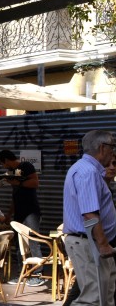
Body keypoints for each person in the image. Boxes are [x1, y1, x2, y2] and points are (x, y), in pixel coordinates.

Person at [62, 130, 116, 306]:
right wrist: (103, 245)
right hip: (89, 242)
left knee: (105, 296)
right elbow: (90, 213)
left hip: (90, 241)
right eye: (112, 147)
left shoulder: (88, 170)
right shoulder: (88, 172)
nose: (113, 152)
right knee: (92, 299)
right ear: (102, 148)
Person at [0, 149, 44, 286]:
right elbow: (15, 197)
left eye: (2, 163)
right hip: (19, 213)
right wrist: (9, 215)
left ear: (6, 160)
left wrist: (16, 183)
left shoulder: (26, 166)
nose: (3, 167)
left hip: (31, 212)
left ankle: (38, 274)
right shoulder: (12, 174)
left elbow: (35, 183)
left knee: (33, 242)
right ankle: (22, 274)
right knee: (19, 245)